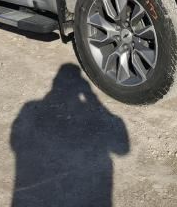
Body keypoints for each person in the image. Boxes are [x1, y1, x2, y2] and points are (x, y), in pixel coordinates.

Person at [10, 64, 129, 206]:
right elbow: (122, 149)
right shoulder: (33, 108)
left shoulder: (30, 108)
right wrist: (92, 98)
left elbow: (15, 141)